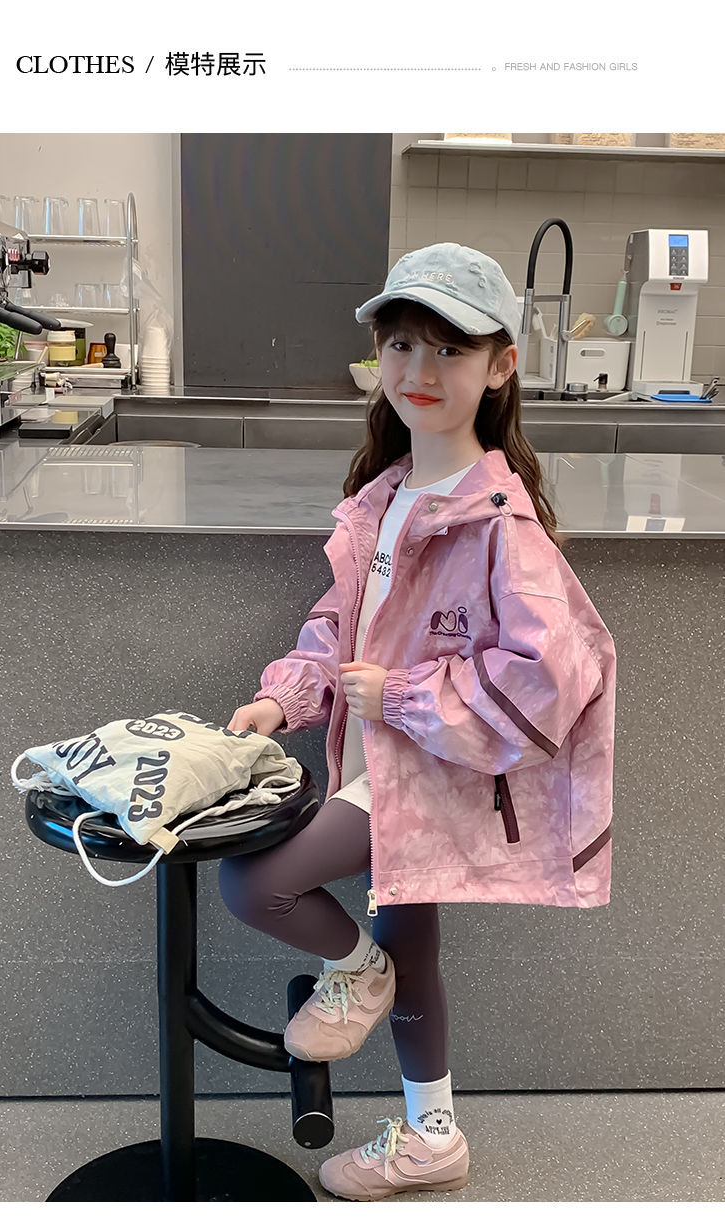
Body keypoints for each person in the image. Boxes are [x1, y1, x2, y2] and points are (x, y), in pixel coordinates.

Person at [219, 242, 617, 1201]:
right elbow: (339, 623)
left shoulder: (498, 524)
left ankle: (359, 974)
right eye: (401, 344)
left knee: (255, 880)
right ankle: (434, 1134)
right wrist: (286, 696)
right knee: (412, 948)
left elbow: (551, 676)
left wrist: (399, 698)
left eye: (449, 349)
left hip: (426, 774)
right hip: (378, 759)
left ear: (501, 365)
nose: (420, 371)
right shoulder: (389, 496)